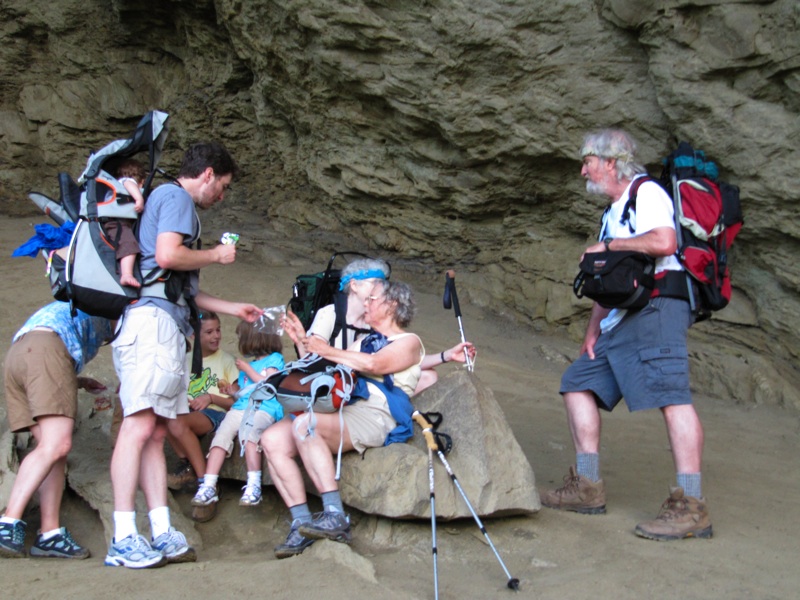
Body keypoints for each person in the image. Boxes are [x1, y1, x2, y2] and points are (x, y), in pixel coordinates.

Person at [539, 129, 712, 541]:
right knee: (577, 383)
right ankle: (588, 485)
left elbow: (665, 241)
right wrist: (592, 329)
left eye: (589, 161)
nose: (583, 169)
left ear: (612, 162)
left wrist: (610, 246)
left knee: (672, 399)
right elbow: (611, 279)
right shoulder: (613, 211)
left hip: (657, 310)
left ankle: (691, 505)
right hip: (621, 318)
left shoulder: (646, 193)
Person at [105, 142, 262, 569]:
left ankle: (159, 530)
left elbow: (182, 287)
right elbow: (167, 256)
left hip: (167, 324)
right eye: (223, 187)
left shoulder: (174, 204)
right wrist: (215, 254)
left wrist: (232, 308)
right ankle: (122, 536)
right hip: (152, 326)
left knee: (155, 432)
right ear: (208, 174)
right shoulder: (174, 197)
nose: (222, 197)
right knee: (138, 427)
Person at [263, 279, 424, 559]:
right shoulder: (363, 340)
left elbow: (375, 365)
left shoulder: (409, 342)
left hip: (376, 412)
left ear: (393, 304)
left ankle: (335, 517)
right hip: (347, 405)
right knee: (271, 438)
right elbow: (329, 368)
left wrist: (324, 349)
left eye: (373, 299)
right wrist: (303, 342)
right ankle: (302, 523)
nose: (367, 303)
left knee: (305, 424)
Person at [0, 302, 112, 559]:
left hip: (20, 355)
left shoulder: (81, 296)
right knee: (56, 445)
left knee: (53, 453)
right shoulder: (118, 303)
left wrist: (76, 381)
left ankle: (50, 534)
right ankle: (8, 523)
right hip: (45, 351)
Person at [283, 256, 475, 394]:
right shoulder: (329, 314)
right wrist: (303, 343)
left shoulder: (375, 322)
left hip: (360, 381)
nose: (381, 288)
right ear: (354, 286)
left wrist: (446, 356)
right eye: (374, 282)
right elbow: (311, 360)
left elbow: (401, 359)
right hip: (333, 384)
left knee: (428, 376)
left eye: (382, 283)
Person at [191, 321, 285, 511]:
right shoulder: (248, 366)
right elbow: (244, 392)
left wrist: (247, 369)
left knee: (250, 434)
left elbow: (269, 384)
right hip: (242, 406)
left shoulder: (275, 359)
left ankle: (253, 484)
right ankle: (208, 485)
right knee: (222, 435)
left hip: (263, 406)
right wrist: (232, 392)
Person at [166, 311, 238, 491]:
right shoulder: (184, 360)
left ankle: (202, 479)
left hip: (216, 413)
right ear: (194, 335)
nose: (216, 336)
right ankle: (187, 465)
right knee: (163, 415)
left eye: (218, 330)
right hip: (190, 411)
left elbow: (236, 403)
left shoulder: (227, 361)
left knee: (177, 422)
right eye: (209, 332)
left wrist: (211, 398)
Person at [102, 158, 147, 288]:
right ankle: (126, 275)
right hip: (116, 222)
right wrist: (139, 199)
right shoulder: (125, 182)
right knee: (128, 242)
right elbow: (130, 184)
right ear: (141, 181)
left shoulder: (115, 186)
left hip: (116, 221)